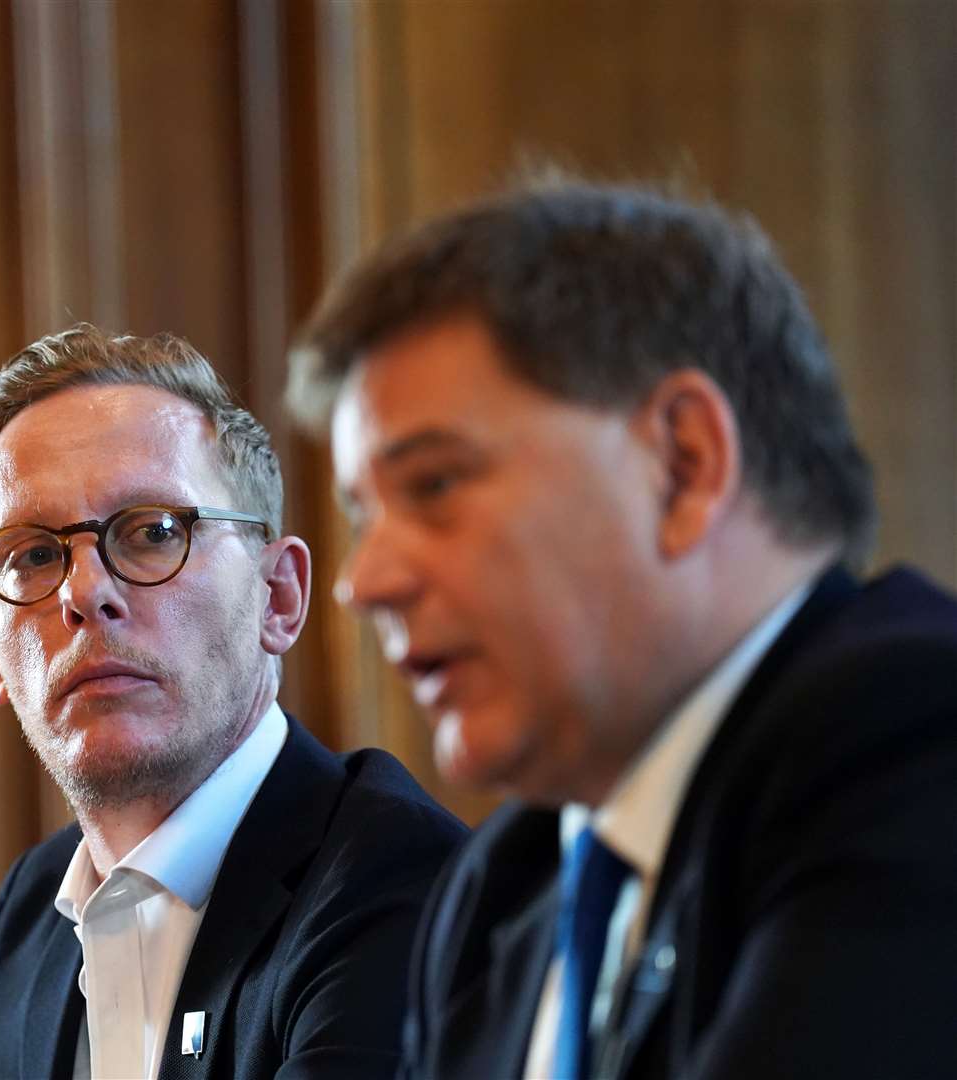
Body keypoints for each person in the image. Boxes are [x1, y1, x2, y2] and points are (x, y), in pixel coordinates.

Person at [288, 177, 957, 1078]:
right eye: (366, 514)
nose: (363, 580)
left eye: (436, 485)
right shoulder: (499, 894)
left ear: (684, 465)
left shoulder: (913, 744)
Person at [0, 325, 466, 1078]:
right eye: (31, 555)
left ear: (277, 597)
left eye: (153, 533)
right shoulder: (26, 919)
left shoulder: (400, 882)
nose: (86, 593)